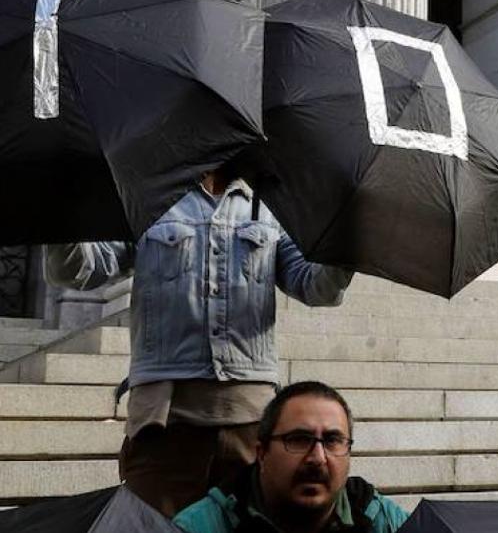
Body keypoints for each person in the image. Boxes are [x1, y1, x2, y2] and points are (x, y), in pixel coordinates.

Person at [41, 168, 355, 516]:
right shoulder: (146, 196)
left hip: (251, 421)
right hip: (165, 421)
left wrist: (345, 241)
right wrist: (62, 211)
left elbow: (315, 286)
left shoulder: (269, 205)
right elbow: (78, 270)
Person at [173, 381, 408, 533]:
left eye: (332, 440)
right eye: (298, 439)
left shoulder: (380, 520)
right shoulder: (199, 527)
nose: (317, 458)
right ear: (262, 453)